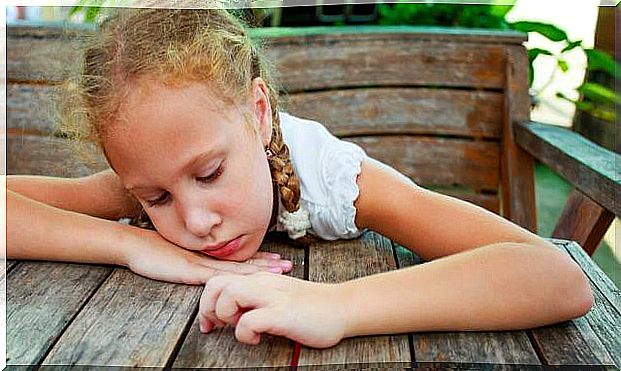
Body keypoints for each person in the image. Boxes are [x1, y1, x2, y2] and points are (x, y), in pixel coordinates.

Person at [7, 7, 593, 349]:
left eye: (211, 173)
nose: (196, 221)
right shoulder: (152, 176)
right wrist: (129, 242)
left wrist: (337, 308)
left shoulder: (336, 182)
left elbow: (556, 276)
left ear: (259, 113)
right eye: (156, 197)